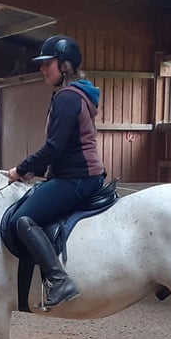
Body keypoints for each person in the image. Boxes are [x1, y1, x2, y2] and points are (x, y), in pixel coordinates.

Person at [7, 35, 106, 310]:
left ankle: (59, 280)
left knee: (24, 219)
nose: (42, 69)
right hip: (77, 174)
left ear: (65, 66)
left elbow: (54, 147)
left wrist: (22, 169)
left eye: (47, 64)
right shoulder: (77, 95)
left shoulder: (68, 97)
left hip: (77, 178)